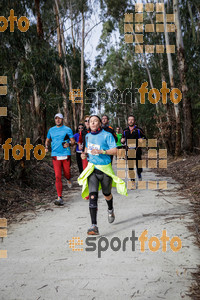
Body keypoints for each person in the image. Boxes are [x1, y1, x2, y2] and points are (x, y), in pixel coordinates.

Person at [78, 115, 128, 235]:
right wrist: (83, 155)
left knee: (107, 194)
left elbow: (115, 151)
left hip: (105, 169)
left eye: (95, 121)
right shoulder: (88, 136)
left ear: (100, 123)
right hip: (93, 169)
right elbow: (86, 149)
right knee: (93, 196)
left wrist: (102, 151)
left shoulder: (107, 135)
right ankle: (94, 225)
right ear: (88, 124)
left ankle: (110, 209)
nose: (93, 123)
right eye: (91, 121)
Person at [45, 113, 75, 206]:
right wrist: (46, 147)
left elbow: (73, 141)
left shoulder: (67, 129)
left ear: (62, 119)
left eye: (59, 118)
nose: (57, 120)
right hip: (55, 155)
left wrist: (69, 144)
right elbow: (47, 140)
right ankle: (59, 197)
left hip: (65, 154)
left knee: (66, 173)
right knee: (57, 176)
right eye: (56, 118)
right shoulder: (51, 130)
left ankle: (68, 178)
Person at [121, 115, 146, 189]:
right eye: (129, 120)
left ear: (134, 121)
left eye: (132, 120)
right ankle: (133, 183)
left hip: (137, 150)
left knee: (139, 167)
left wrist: (142, 140)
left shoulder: (138, 130)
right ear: (127, 121)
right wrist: (122, 141)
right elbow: (122, 140)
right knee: (130, 167)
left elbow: (144, 137)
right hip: (129, 151)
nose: (131, 121)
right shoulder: (125, 130)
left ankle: (139, 173)